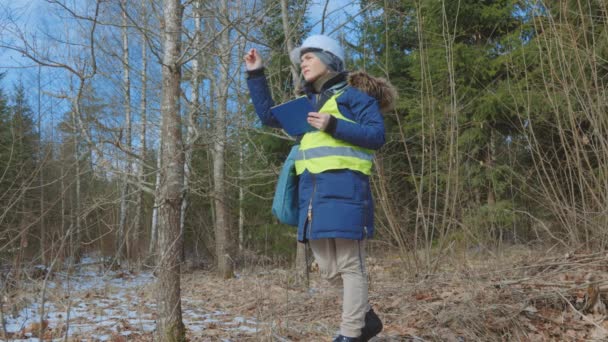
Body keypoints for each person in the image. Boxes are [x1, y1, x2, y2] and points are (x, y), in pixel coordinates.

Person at [244, 34, 395, 342]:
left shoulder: (355, 98)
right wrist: (257, 74)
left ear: (331, 60)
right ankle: (365, 318)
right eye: (302, 58)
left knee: (350, 264)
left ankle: (351, 333)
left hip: (346, 190)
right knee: (328, 268)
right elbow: (268, 116)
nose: (303, 61)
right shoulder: (307, 104)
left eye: (310, 56)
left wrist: (333, 125)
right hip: (312, 195)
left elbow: (377, 136)